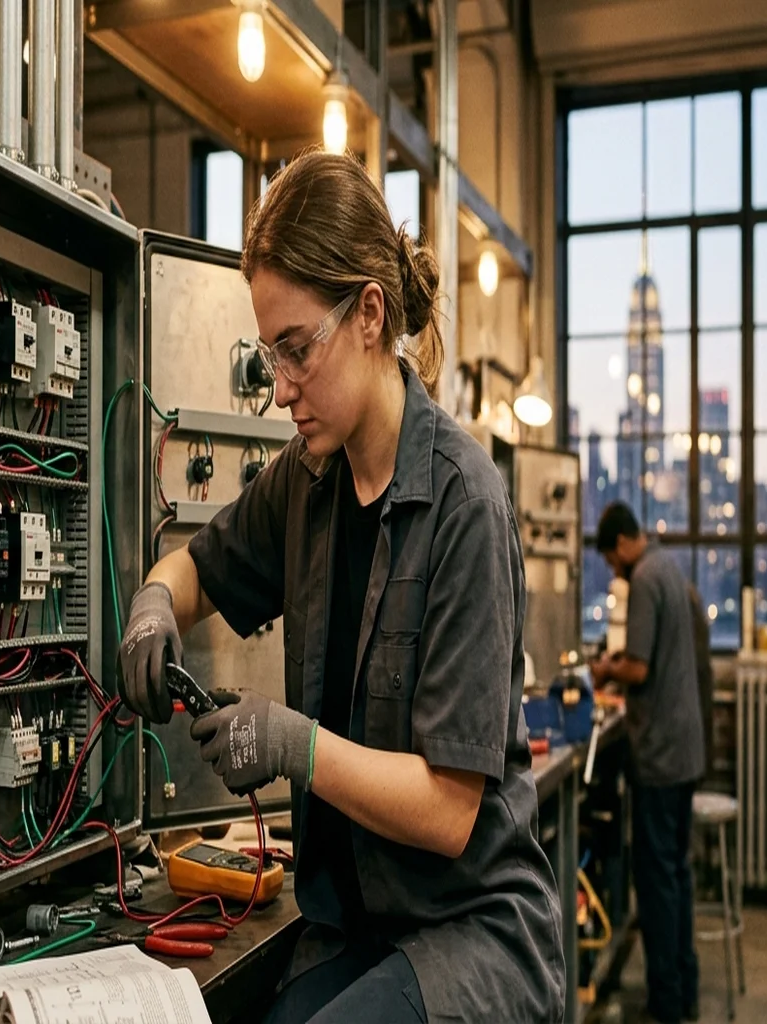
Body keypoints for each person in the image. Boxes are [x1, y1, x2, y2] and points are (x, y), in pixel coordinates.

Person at [117, 151, 563, 1024]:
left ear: (369, 314)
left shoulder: (466, 503)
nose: (280, 388)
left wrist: (295, 745)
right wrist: (154, 605)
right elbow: (201, 565)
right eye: (267, 353)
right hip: (353, 921)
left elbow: (446, 812)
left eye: (296, 350)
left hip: (469, 929)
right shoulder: (307, 481)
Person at [589, 502, 705, 1024]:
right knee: (676, 874)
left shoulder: (643, 579)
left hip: (658, 755)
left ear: (618, 546)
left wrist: (604, 669)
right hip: (686, 750)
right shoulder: (671, 569)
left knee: (656, 879)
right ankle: (684, 988)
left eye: (612, 563)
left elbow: (638, 666)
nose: (615, 572)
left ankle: (665, 1002)